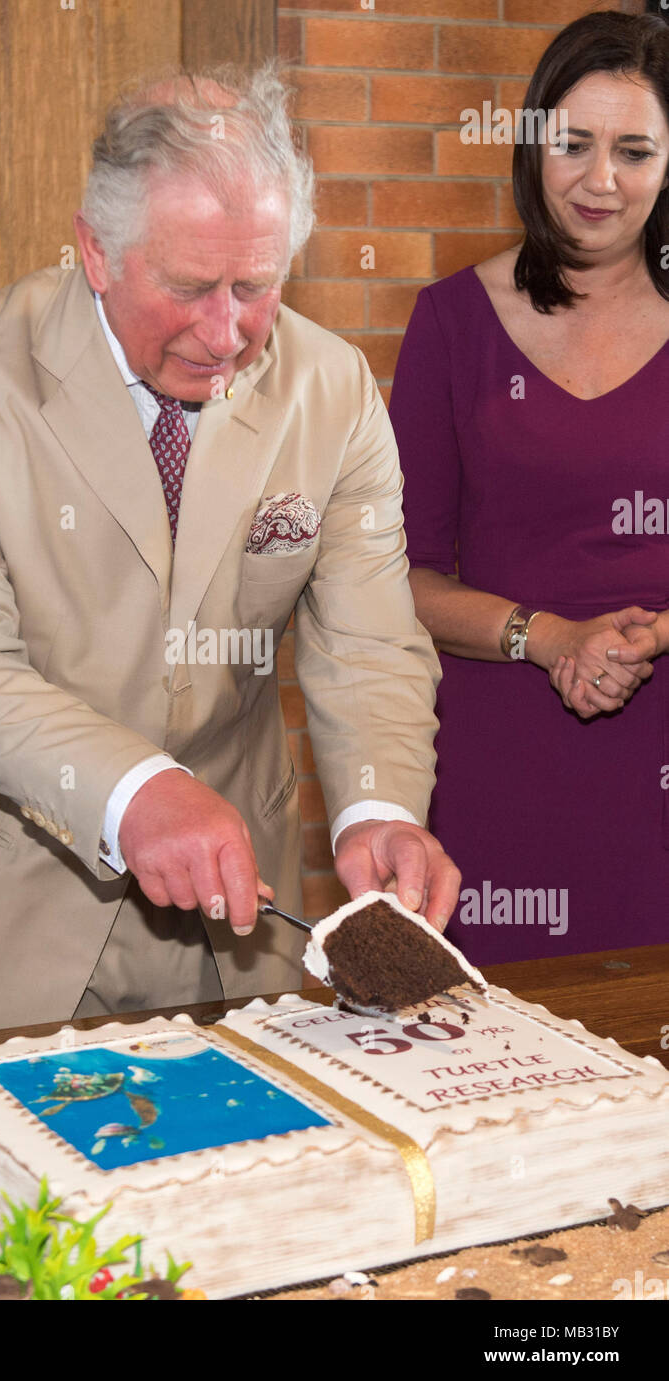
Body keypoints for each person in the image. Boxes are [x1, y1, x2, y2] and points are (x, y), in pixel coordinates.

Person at [0, 64, 459, 1038]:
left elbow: (368, 644)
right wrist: (137, 791)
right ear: (95, 251)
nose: (227, 334)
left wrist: (375, 809)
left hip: (232, 927)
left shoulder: (333, 390)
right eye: (188, 288)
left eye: (256, 286)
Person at [389, 11, 669, 966]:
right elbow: (400, 579)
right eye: (573, 144)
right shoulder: (450, 323)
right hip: (503, 757)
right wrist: (549, 640)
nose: (601, 180)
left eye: (634, 150)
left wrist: (653, 634)